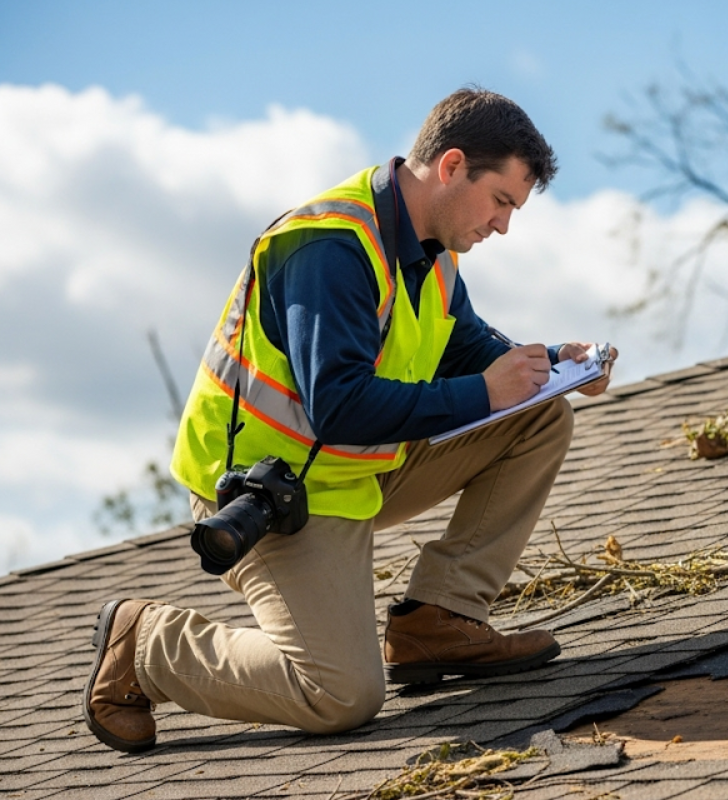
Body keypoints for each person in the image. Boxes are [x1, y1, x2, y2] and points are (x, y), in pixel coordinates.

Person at [82, 88, 616, 753]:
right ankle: (149, 645)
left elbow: (466, 346)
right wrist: (485, 392)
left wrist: (544, 369)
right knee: (340, 695)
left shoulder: (437, 251)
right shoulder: (330, 247)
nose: (504, 225)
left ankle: (438, 620)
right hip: (273, 494)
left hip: (361, 469)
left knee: (539, 419)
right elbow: (338, 407)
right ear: (451, 167)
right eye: (501, 202)